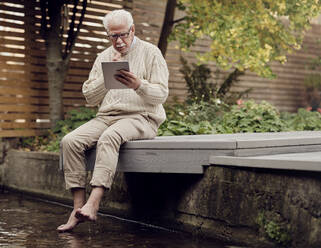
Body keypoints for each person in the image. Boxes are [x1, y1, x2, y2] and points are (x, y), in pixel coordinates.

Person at [57, 9, 169, 232]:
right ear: (107, 35)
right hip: (107, 116)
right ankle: (78, 208)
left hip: (142, 117)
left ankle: (94, 203)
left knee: (109, 138)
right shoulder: (104, 57)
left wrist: (139, 85)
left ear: (133, 30)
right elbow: (89, 97)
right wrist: (107, 79)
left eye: (123, 35)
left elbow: (161, 95)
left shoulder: (151, 53)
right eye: (113, 36)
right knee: (69, 141)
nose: (118, 41)